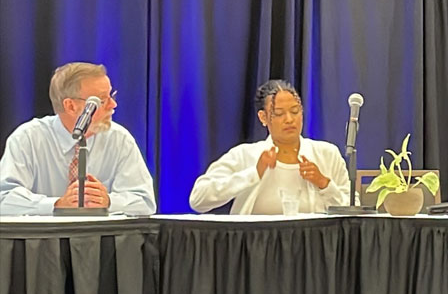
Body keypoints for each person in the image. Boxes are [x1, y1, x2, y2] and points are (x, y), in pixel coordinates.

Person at [0, 62, 156, 216]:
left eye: (111, 95)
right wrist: (57, 205)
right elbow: (4, 199)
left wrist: (108, 201)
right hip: (44, 240)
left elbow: (145, 201)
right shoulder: (28, 139)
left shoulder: (119, 139)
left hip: (100, 239)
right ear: (71, 106)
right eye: (101, 100)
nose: (113, 105)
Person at [189, 79, 350, 214]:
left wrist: (323, 183)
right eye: (279, 113)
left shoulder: (327, 154)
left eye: (295, 111)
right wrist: (253, 173)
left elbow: (352, 209)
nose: (289, 119)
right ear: (263, 117)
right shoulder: (245, 155)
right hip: (255, 246)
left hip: (312, 245)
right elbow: (198, 199)